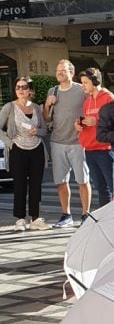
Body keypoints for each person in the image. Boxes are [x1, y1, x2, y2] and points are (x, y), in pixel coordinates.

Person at [43, 60, 88, 226]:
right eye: (57, 71)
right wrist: (47, 104)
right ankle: (66, 214)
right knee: (61, 181)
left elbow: (92, 108)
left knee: (83, 179)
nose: (60, 73)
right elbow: (46, 117)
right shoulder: (52, 91)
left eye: (63, 70)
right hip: (57, 141)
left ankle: (85, 214)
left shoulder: (82, 89)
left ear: (72, 72)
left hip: (78, 141)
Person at [0, 77, 49, 231]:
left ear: (30, 91)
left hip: (37, 149)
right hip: (18, 149)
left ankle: (35, 219)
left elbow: (44, 130)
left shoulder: (36, 108)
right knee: (19, 185)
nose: (20, 90)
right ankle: (20, 219)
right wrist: (10, 143)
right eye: (18, 87)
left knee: (36, 185)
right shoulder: (9, 107)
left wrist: (38, 131)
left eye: (24, 87)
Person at [77, 69, 114, 209]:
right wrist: (80, 125)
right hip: (90, 149)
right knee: (100, 187)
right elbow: (89, 121)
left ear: (95, 81)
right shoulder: (87, 101)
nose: (83, 86)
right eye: (82, 83)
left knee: (113, 186)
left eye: (85, 82)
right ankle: (105, 216)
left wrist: (97, 121)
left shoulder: (108, 98)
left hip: (105, 149)